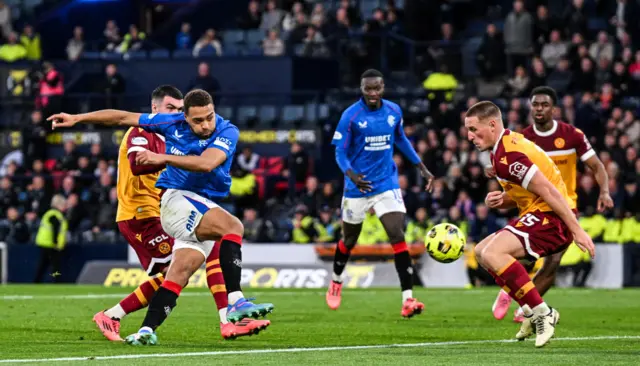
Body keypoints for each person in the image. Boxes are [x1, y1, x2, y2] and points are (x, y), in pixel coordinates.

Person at [48, 89, 273, 346]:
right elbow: (122, 119)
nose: (205, 125)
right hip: (158, 207)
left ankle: (144, 329)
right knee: (232, 226)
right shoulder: (163, 125)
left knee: (179, 271)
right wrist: (77, 118)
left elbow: (206, 163)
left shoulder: (227, 130)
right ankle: (235, 304)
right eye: (197, 120)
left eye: (209, 117)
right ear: (184, 118)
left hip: (194, 203)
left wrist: (163, 157)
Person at [465, 101, 595, 348]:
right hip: (542, 211)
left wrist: (576, 229)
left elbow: (547, 190)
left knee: (494, 252)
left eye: (473, 129)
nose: (469, 136)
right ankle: (529, 310)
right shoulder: (504, 147)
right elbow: (529, 192)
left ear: (492, 124)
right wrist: (502, 199)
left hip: (555, 217)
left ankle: (543, 312)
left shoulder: (507, 154)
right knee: (481, 251)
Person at [489, 86, 613, 322]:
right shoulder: (521, 138)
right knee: (524, 255)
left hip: (564, 206)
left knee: (553, 261)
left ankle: (522, 308)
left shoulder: (571, 135)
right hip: (531, 206)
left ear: (554, 109)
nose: (539, 109)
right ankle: (513, 294)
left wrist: (604, 191)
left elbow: (597, 166)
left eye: (544, 105)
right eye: (535, 104)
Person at [326, 69, 435, 317]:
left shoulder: (394, 111)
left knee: (397, 234)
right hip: (357, 187)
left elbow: (401, 140)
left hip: (386, 183)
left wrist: (422, 167)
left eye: (377, 88)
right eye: (368, 89)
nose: (373, 93)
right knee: (349, 240)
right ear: (361, 89)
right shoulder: (350, 116)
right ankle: (336, 280)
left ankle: (408, 299)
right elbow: (340, 152)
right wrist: (350, 174)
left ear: (383, 87)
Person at [34, 195, 68, 283]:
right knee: (55, 265)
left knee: (44, 265)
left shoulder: (51, 213)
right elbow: (55, 230)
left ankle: (37, 281)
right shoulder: (55, 215)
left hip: (45, 243)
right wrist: (56, 243)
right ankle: (57, 281)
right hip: (50, 244)